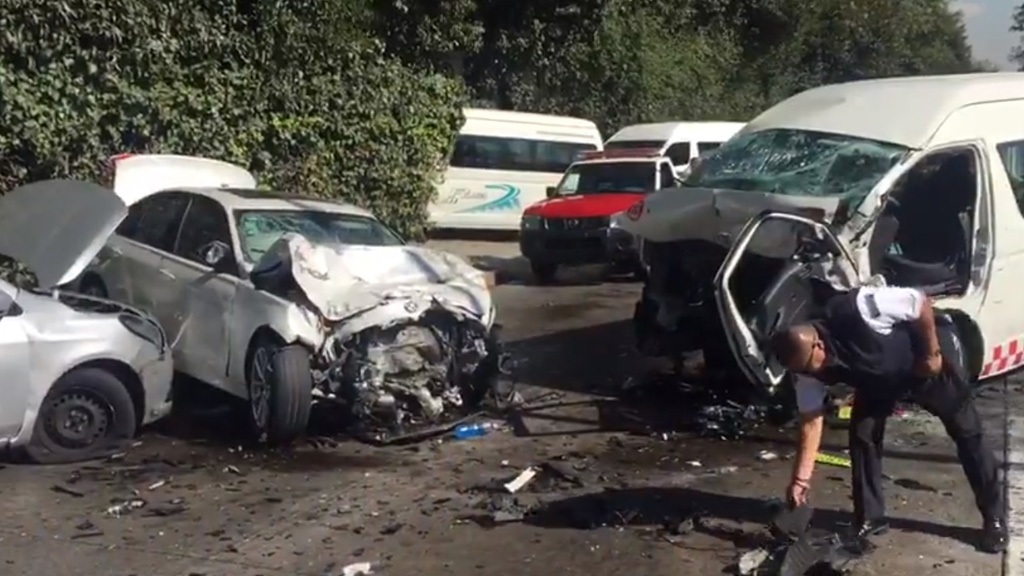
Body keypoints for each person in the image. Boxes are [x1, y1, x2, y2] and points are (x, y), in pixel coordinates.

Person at [769, 284, 1006, 553]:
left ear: (818, 343)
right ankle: (870, 518)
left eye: (813, 365)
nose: (816, 374)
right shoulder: (804, 368)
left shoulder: (860, 307)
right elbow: (811, 422)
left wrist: (931, 354)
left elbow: (919, 302)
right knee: (863, 435)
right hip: (877, 378)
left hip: (923, 366)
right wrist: (800, 481)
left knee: (968, 434)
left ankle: (994, 521)